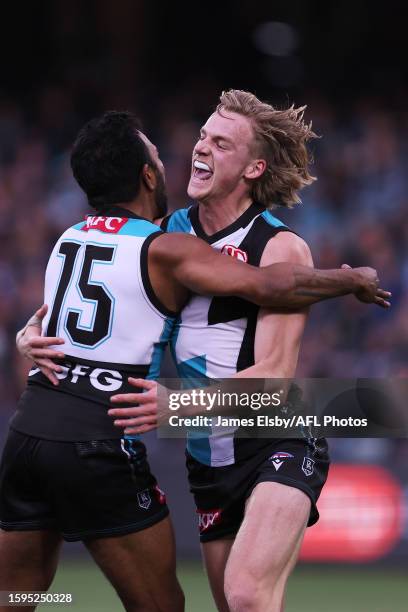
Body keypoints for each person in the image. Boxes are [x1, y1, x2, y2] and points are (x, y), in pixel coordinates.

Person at [16, 96, 391, 612]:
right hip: (207, 458)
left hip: (275, 438)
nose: (200, 148)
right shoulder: (164, 234)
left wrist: (176, 406)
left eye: (221, 142)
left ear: (254, 167)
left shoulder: (279, 247)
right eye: (202, 136)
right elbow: (86, 301)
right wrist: (27, 336)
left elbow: (276, 380)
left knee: (246, 596)